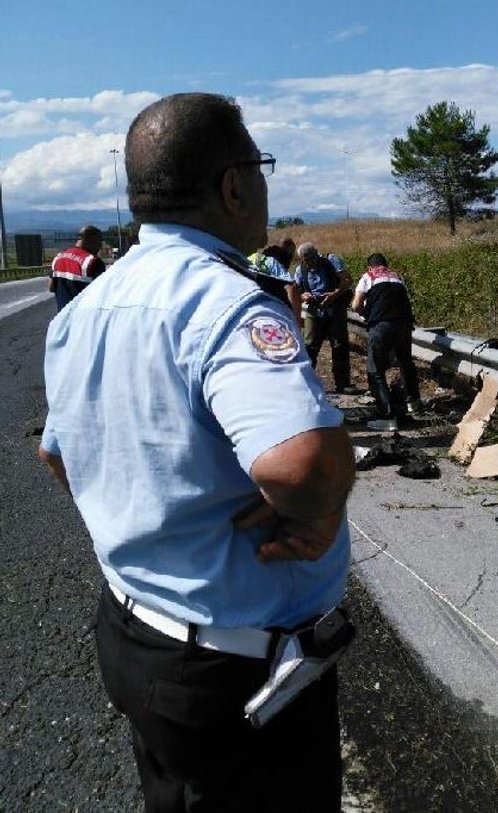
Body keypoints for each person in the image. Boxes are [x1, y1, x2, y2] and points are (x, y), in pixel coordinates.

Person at [38, 92, 357, 812]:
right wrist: (321, 504)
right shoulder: (226, 303)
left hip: (132, 635)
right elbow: (301, 464)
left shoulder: (88, 304)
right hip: (235, 676)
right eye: (261, 166)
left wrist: (152, 506)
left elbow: (58, 454)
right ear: (233, 185)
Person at [351, 252, 422, 431]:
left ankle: (387, 415)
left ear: (369, 267)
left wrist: (366, 314)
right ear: (385, 265)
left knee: (375, 369)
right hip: (404, 325)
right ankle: (413, 402)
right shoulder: (397, 277)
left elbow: (356, 305)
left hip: (382, 325)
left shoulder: (367, 277)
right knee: (406, 362)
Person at [294, 242, 357, 394]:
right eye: (306, 260)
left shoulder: (332, 261)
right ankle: (305, 384)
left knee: (339, 346)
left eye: (311, 258)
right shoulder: (300, 270)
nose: (310, 262)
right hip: (314, 310)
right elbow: (297, 291)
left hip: (335, 308)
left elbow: (347, 281)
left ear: (317, 253)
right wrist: (304, 296)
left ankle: (343, 384)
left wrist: (334, 295)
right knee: (309, 347)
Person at [49, 225, 106, 311]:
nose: (99, 246)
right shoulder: (93, 262)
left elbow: (51, 287)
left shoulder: (58, 258)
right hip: (83, 319)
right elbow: (102, 295)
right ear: (91, 240)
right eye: (99, 242)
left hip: (61, 319)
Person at [249, 246, 302, 324]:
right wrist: (296, 321)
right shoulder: (271, 262)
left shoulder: (247, 259)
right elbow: (292, 288)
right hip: (275, 314)